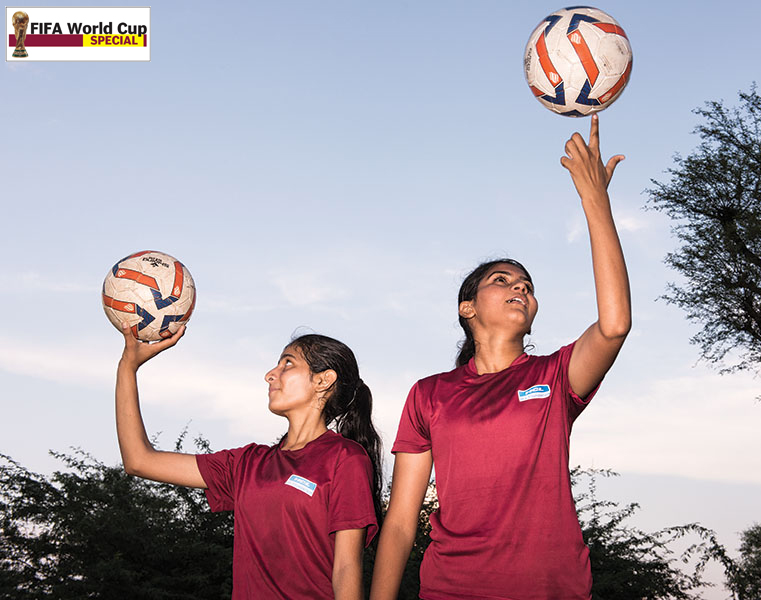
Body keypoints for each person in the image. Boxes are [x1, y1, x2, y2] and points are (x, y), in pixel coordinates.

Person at [370, 114, 630, 599]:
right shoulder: (430, 395)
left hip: (552, 589)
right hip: (451, 589)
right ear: (467, 308)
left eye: (527, 286)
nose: (520, 288)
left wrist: (595, 200)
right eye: (502, 281)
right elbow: (403, 521)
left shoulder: (554, 376)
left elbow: (614, 325)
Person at [115, 326, 382, 600]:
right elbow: (139, 460)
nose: (270, 375)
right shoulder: (246, 464)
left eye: (287, 363)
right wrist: (128, 366)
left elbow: (347, 568)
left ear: (323, 380)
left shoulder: (345, 458)